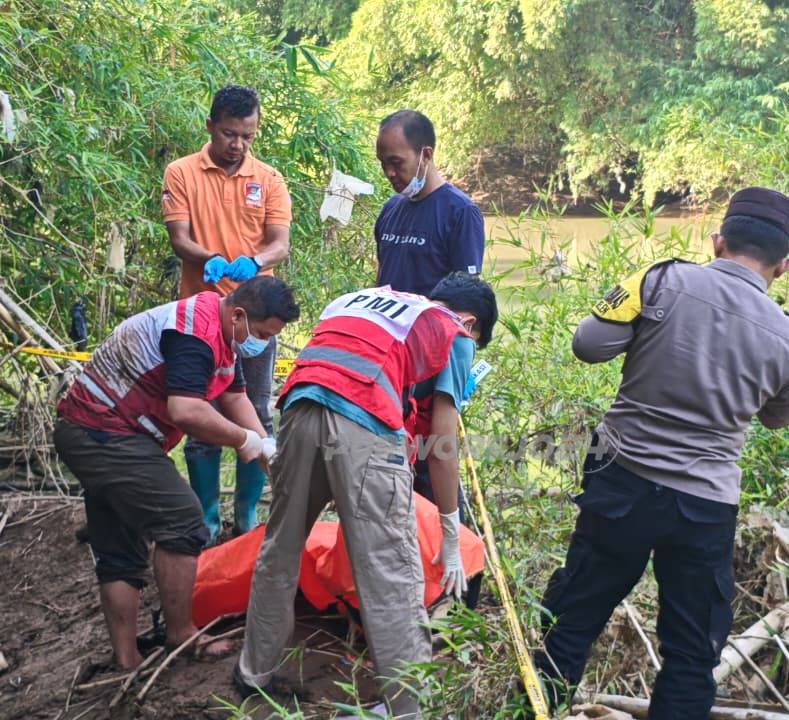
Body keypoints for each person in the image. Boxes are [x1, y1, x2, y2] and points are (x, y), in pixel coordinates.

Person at [534, 188, 789, 716]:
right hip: (704, 506)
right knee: (692, 654)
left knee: (572, 618)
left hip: (621, 479)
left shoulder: (658, 279)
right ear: (783, 266)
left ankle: (535, 706)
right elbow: (779, 418)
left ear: (717, 241)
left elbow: (588, 345)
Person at [235, 273, 498, 718]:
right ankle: (409, 705)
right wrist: (451, 535)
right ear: (469, 321)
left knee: (280, 548)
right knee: (390, 572)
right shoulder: (450, 327)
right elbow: (443, 439)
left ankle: (252, 673)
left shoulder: (367, 299)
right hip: (364, 421)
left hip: (298, 410)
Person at [53, 277, 299, 670]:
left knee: (119, 546)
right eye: (263, 334)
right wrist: (243, 441)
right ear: (239, 315)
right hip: (103, 431)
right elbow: (185, 410)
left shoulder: (222, 333)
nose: (263, 344)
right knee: (183, 520)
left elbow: (233, 396)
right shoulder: (195, 334)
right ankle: (181, 635)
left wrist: (264, 444)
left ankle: (127, 659)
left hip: (100, 429)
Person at [161, 84, 293, 542]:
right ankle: (207, 519)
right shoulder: (181, 173)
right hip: (203, 316)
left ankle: (248, 517)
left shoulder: (270, 179)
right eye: (229, 134)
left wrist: (256, 262)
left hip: (257, 316)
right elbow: (179, 238)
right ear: (211, 127)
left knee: (256, 407)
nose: (238, 144)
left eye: (248, 136)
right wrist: (208, 257)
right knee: (203, 414)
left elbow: (279, 241)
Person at [374, 110, 485, 295]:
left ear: (426, 155)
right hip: (389, 323)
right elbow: (382, 275)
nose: (389, 172)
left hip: (431, 323)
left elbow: (466, 297)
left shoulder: (460, 212)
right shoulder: (390, 209)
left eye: (396, 162)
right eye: (383, 163)